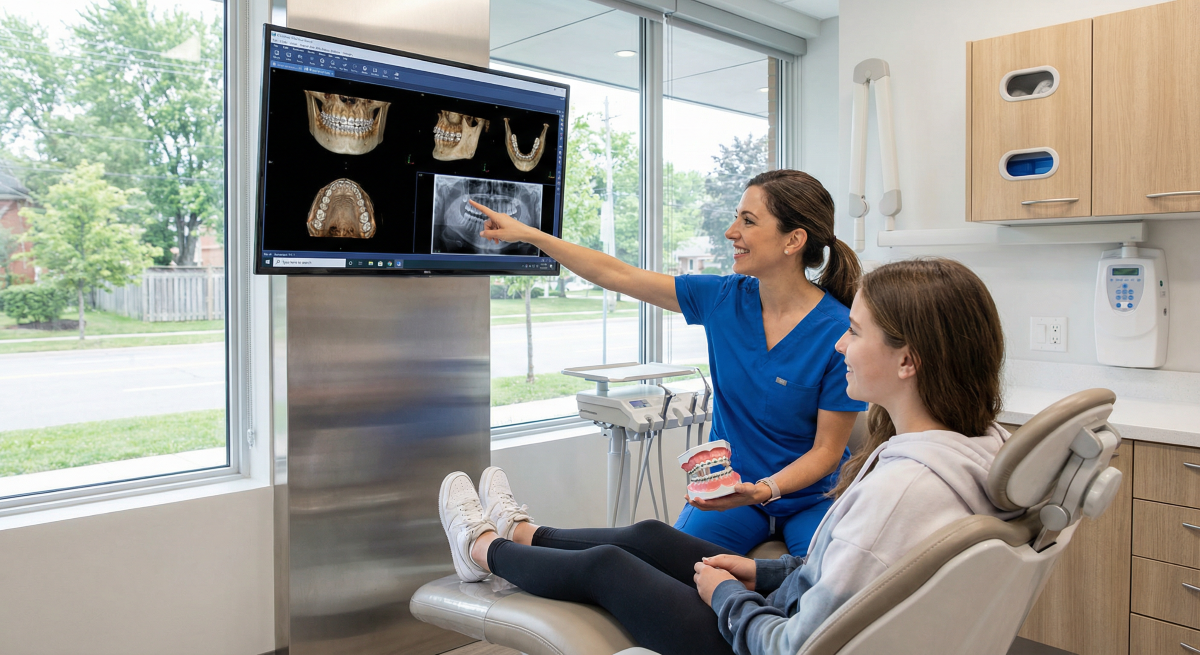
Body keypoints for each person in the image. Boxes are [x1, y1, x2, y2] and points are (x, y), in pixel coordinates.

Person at [438, 257, 1016, 655]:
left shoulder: (899, 492)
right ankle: (520, 531)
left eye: (857, 332)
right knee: (647, 535)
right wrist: (760, 573)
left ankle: (482, 548)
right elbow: (848, 577)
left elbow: (793, 646)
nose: (841, 342)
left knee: (608, 568)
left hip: (756, 640)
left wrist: (729, 595)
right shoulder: (975, 449)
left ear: (907, 361)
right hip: (784, 605)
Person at [473, 169, 866, 556]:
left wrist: (765, 489)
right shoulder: (723, 299)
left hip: (810, 499)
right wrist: (531, 235)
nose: (731, 232)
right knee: (662, 566)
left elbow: (827, 451)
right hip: (732, 494)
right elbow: (617, 274)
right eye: (736, 217)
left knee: (830, 584)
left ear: (793, 240)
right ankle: (506, 542)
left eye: (748, 221)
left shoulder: (839, 331)